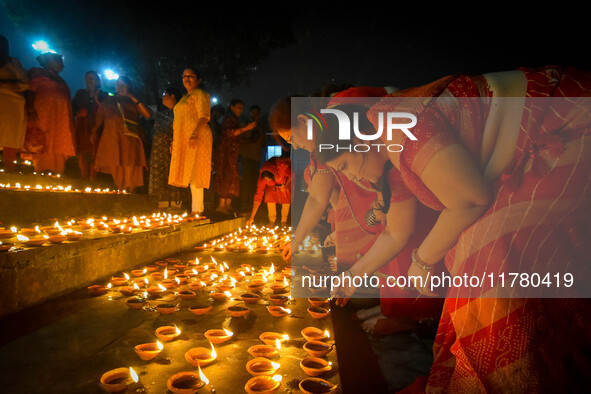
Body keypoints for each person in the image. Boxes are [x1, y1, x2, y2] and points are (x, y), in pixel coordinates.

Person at [316, 66, 591, 392]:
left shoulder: (397, 127)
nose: (353, 180)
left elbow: (471, 200)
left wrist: (422, 261)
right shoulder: (390, 162)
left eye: (345, 166)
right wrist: (352, 278)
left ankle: (519, 376)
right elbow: (395, 232)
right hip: (536, 145)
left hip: (565, 124)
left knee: (492, 257)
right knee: (475, 253)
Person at [92, 76, 152, 192]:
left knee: (131, 163)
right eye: (118, 85)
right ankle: (121, 189)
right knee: (116, 162)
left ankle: (131, 191)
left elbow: (148, 115)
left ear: (129, 87)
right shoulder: (109, 100)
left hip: (130, 138)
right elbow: (100, 117)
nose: (120, 88)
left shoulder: (133, 101)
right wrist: (94, 131)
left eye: (123, 85)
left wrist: (130, 96)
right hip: (113, 138)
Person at [168, 68, 212, 217]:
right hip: (184, 138)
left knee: (196, 171)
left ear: (198, 79)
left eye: (191, 76)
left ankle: (197, 210)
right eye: (184, 76)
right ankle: (196, 209)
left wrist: (194, 133)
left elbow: (204, 116)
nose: (186, 79)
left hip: (198, 136)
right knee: (188, 171)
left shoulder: (200, 94)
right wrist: (175, 142)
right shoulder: (184, 98)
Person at [26, 52, 75, 174]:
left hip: (61, 117)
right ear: (48, 62)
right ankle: (42, 169)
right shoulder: (37, 73)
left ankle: (57, 170)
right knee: (44, 139)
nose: (61, 64)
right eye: (58, 61)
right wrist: (30, 108)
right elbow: (30, 91)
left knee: (59, 140)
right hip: (44, 113)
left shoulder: (61, 80)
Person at [212, 98, 256, 215]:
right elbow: (230, 133)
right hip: (226, 152)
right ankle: (221, 205)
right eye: (238, 107)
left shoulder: (235, 119)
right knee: (226, 175)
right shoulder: (228, 119)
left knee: (233, 177)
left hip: (233, 153)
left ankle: (227, 204)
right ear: (231, 107)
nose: (240, 110)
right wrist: (246, 128)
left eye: (242, 108)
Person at [149, 87, 189, 207]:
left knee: (173, 175)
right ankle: (161, 204)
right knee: (159, 176)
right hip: (159, 149)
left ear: (173, 96)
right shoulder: (162, 113)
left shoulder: (181, 112)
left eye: (165, 94)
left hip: (174, 148)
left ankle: (175, 205)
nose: (163, 97)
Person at [71, 70, 108, 180]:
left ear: (98, 81)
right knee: (83, 152)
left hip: (97, 127)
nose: (90, 81)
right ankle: (83, 176)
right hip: (83, 126)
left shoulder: (103, 95)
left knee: (95, 153)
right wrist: (78, 113)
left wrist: (98, 102)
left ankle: (93, 178)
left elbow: (108, 111)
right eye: (88, 78)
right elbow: (72, 108)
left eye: (92, 79)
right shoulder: (80, 94)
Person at [0, 35, 28, 172]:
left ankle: (10, 168)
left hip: (12, 105)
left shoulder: (13, 63)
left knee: (9, 138)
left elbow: (24, 84)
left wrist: (4, 85)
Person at [246, 156, 291, 227]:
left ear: (274, 176)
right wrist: (252, 217)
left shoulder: (281, 168)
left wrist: (285, 185)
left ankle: (283, 221)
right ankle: (272, 220)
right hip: (273, 186)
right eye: (266, 180)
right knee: (270, 196)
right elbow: (258, 196)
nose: (267, 181)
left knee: (286, 197)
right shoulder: (263, 179)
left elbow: (291, 175)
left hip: (285, 181)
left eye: (268, 179)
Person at [240, 105, 267, 211]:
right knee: (246, 180)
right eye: (253, 112)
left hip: (256, 157)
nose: (255, 115)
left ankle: (251, 204)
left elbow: (263, 142)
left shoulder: (261, 127)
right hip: (246, 155)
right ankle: (243, 204)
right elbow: (241, 138)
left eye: (257, 113)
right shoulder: (246, 125)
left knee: (253, 181)